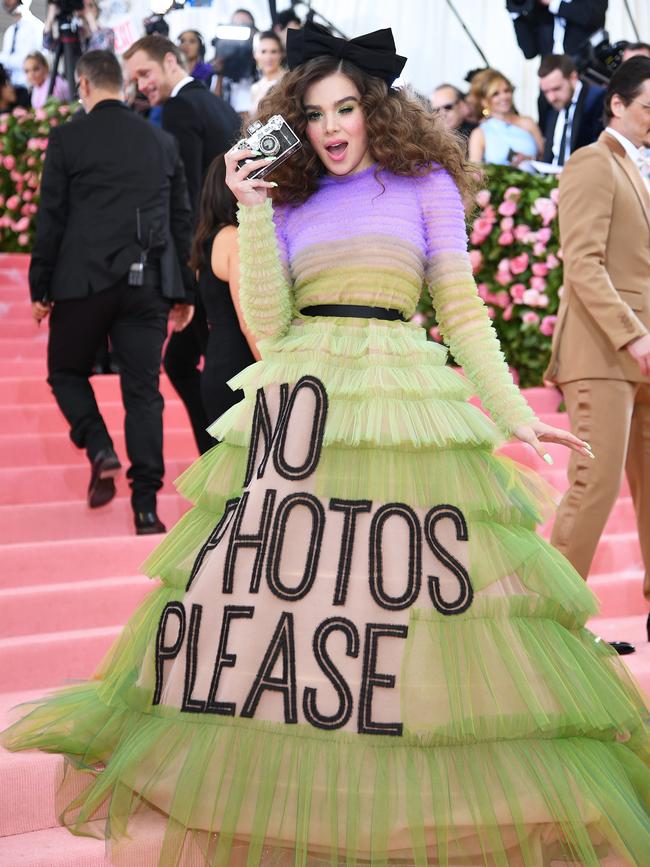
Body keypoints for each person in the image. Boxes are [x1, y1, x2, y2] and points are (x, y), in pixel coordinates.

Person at [3, 22, 649, 867]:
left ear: (377, 110)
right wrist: (254, 201)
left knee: (404, 604)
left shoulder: (424, 185)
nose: (333, 126)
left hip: (402, 400)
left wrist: (511, 410)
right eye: (315, 114)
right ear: (295, 123)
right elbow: (267, 323)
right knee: (292, 614)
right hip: (302, 405)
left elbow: (459, 309)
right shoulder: (288, 196)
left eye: (347, 107)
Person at [28, 50, 195, 535]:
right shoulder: (161, 142)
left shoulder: (67, 138)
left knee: (64, 371)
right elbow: (180, 220)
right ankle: (146, 508)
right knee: (143, 393)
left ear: (81, 86)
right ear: (119, 85)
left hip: (82, 284)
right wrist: (182, 289)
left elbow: (52, 217)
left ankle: (99, 445)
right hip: (146, 287)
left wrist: (41, 286)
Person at [545, 55, 650, 648]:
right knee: (596, 483)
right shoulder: (591, 161)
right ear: (616, 104)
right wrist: (632, 332)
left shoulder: (640, 168)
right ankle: (552, 627)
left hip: (643, 352)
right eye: (647, 111)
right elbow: (581, 264)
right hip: (604, 350)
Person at [124, 35, 241, 455]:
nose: (141, 85)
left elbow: (186, 192)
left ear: (170, 61)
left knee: (208, 366)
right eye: (134, 78)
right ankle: (219, 457)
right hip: (232, 249)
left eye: (144, 73)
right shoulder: (216, 104)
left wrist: (189, 270)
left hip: (209, 257)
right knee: (191, 361)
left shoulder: (180, 108)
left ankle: (221, 460)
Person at [190, 154, 259, 425]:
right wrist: (276, 372)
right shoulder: (233, 238)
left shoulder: (206, 241)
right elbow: (247, 319)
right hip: (241, 368)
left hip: (218, 365)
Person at [538, 53, 605, 165]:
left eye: (556, 89)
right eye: (546, 91)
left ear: (573, 78)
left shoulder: (597, 100)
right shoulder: (549, 103)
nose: (551, 98)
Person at [468, 68, 542, 165]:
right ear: (484, 101)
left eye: (506, 91)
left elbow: (545, 158)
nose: (504, 97)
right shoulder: (479, 134)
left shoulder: (528, 123)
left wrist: (530, 159)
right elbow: (475, 172)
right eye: (495, 94)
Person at [509, 0, 607, 60]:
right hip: (550, 81)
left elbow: (591, 17)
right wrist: (516, 13)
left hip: (586, 74)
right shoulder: (540, 9)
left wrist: (553, 3)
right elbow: (529, 52)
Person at [0, 0, 43, 88]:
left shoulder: (35, 27)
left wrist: (3, 58)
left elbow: (26, 62)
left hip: (28, 87)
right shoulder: (10, 31)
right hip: (11, 87)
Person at [430, 82, 476, 147]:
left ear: (462, 105)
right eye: (436, 110)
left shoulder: (477, 134)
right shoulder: (430, 140)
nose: (442, 114)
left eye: (448, 107)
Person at [249, 29, 284, 113]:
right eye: (263, 51)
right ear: (255, 55)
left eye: (273, 51)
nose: (268, 57)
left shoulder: (288, 81)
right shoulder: (255, 88)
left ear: (281, 54)